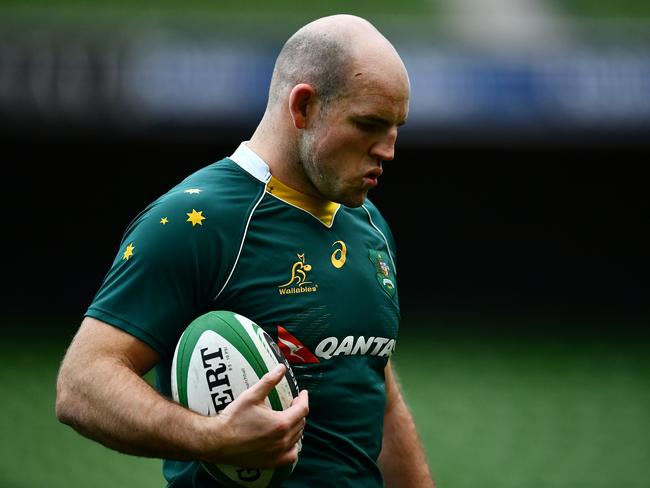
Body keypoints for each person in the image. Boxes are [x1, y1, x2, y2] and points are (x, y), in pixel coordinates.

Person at [56, 14, 434, 488]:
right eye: (369, 124)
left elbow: (378, 395)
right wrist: (210, 437)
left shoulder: (370, 226)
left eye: (396, 127)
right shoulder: (196, 223)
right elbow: (81, 384)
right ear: (304, 107)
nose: (389, 150)